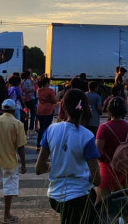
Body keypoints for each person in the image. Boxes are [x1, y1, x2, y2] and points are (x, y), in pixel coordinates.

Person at [35, 89, 101, 224]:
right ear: (85, 109)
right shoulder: (87, 136)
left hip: (54, 197)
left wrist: (57, 166)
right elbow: (96, 179)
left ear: (63, 106)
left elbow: (39, 168)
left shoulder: (50, 130)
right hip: (78, 198)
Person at [95, 97, 128, 201]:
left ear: (109, 110)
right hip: (126, 173)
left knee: (100, 206)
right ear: (124, 111)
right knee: (122, 205)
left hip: (108, 171)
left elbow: (97, 152)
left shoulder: (104, 128)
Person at [36, 76, 57, 149]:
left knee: (41, 127)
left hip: (40, 109)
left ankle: (38, 143)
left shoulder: (39, 90)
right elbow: (54, 101)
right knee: (47, 127)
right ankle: (45, 144)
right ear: (47, 83)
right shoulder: (50, 91)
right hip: (48, 109)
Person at [21, 70, 37, 137]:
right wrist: (32, 89)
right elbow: (33, 88)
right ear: (28, 76)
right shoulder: (29, 81)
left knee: (26, 115)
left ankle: (25, 129)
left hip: (25, 100)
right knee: (33, 114)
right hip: (31, 99)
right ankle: (31, 128)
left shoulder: (22, 81)